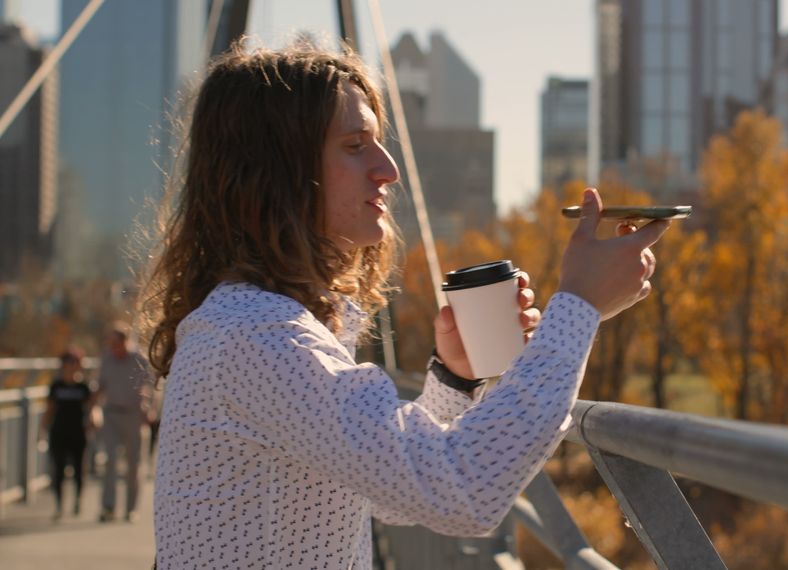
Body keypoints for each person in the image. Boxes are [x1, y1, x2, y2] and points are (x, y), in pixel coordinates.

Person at [141, 45, 669, 569]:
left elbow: (386, 488)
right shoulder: (257, 339)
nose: (388, 168)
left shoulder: (254, 327)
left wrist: (455, 380)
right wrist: (577, 306)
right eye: (355, 145)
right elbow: (462, 490)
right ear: (278, 169)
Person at [96, 322, 151, 522]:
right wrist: (92, 411)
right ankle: (108, 506)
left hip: (134, 415)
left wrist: (148, 409)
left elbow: (150, 388)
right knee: (109, 460)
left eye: (116, 344)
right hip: (111, 414)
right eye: (111, 344)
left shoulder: (139, 360)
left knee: (133, 464)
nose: (113, 348)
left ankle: (131, 508)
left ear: (125, 342)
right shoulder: (107, 358)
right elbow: (100, 385)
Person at [40, 347, 95, 521]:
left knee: (79, 469)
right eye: (68, 363)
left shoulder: (84, 387)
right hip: (59, 433)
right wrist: (41, 431)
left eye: (75, 363)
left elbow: (92, 408)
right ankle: (59, 506)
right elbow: (49, 410)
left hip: (78, 433)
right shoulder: (56, 386)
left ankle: (78, 501)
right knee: (58, 470)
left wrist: (93, 420)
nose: (72, 366)